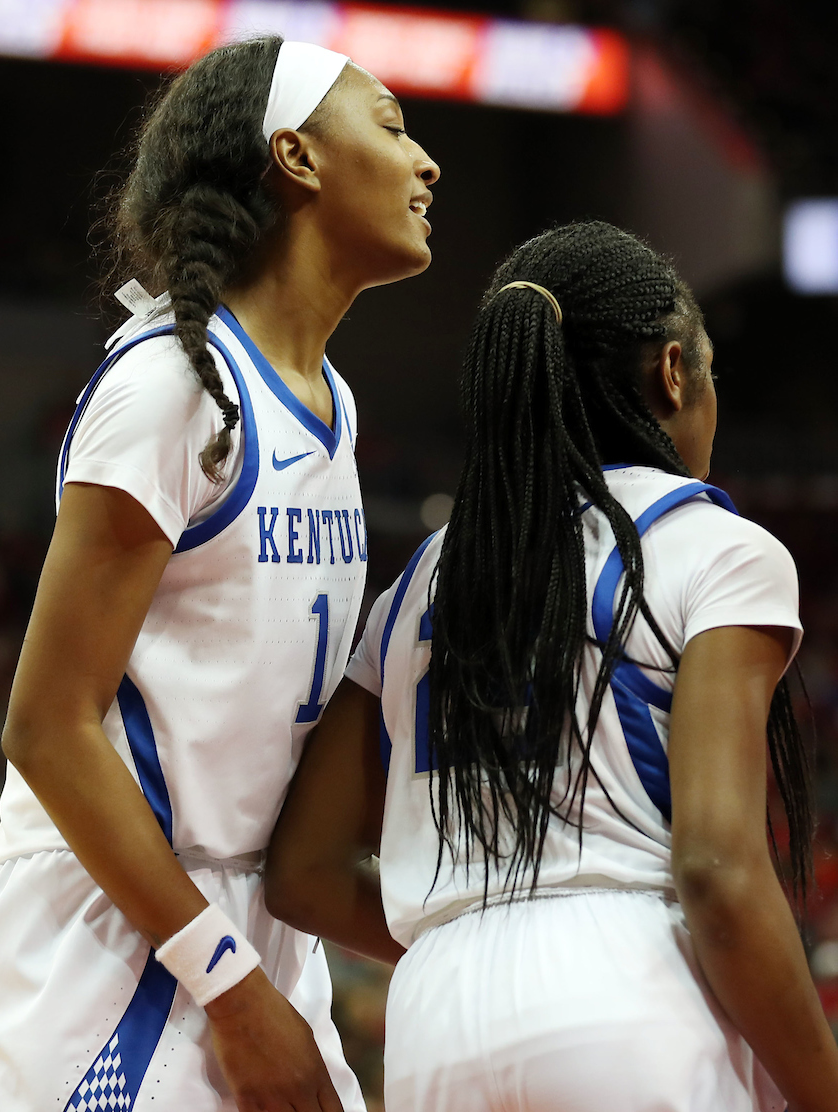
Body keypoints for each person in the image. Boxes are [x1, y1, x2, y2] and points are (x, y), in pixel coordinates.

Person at [0, 35, 440, 1112]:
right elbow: (45, 727)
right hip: (124, 932)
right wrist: (229, 988)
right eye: (393, 124)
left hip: (243, 919)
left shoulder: (333, 404)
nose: (427, 163)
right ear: (298, 157)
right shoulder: (175, 388)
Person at [265, 221, 838, 1112]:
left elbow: (303, 870)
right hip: (631, 989)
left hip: (436, 1016)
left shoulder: (424, 576)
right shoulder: (716, 547)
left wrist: (476, 927)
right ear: (676, 371)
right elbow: (720, 871)